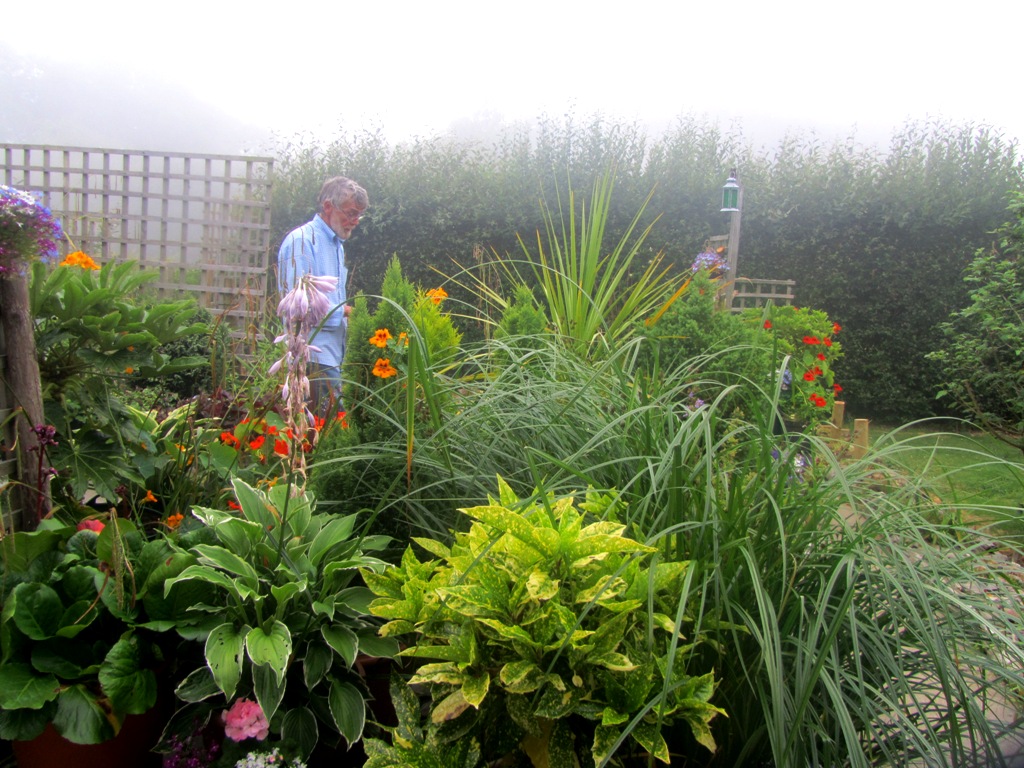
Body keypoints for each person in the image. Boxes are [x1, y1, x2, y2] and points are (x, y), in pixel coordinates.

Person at [277, 176, 368, 414]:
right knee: (323, 428)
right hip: (311, 358)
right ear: (328, 206)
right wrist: (345, 311)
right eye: (351, 213)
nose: (355, 222)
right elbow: (297, 308)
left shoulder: (336, 245)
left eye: (359, 215)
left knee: (333, 426)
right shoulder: (302, 242)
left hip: (333, 357)